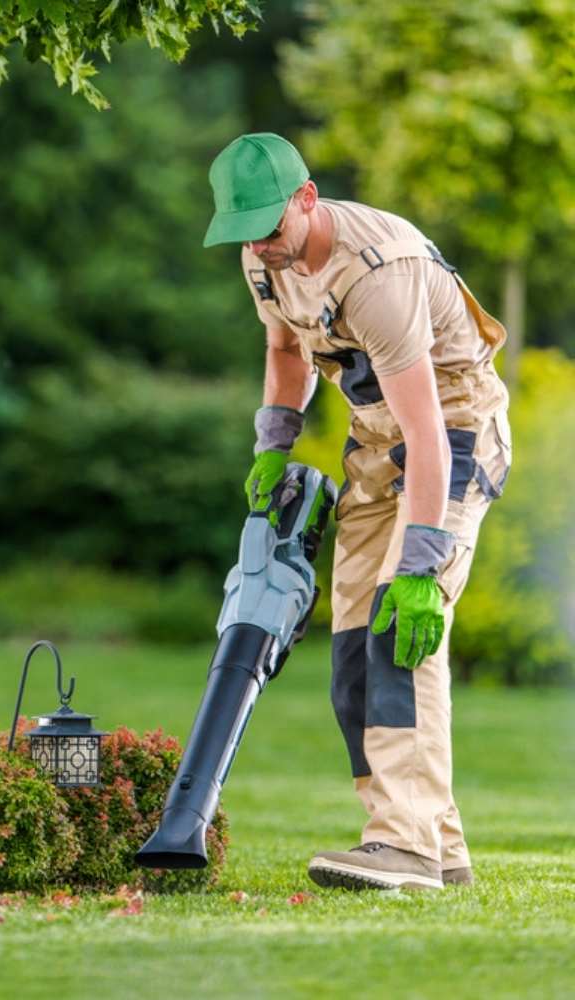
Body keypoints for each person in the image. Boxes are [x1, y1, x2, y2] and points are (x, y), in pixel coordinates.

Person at [203, 132, 512, 891]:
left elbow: (430, 433)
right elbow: (284, 351)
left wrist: (420, 564)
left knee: (399, 631)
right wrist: (274, 443)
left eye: (271, 229)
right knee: (350, 655)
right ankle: (438, 847)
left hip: (451, 432)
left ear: (306, 198)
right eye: (245, 234)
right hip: (374, 441)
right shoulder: (262, 254)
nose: (261, 249)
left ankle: (403, 844)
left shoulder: (379, 272)